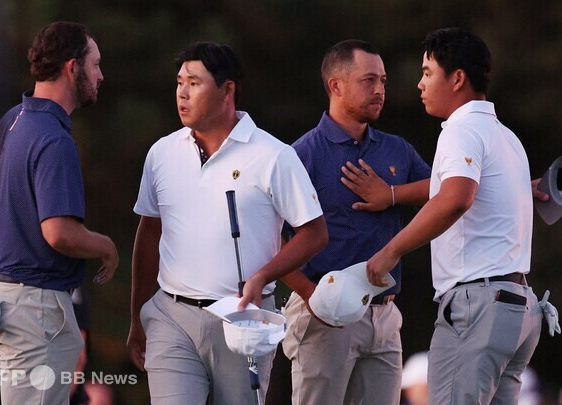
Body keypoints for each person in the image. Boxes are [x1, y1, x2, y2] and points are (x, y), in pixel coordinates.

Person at [126, 41, 328, 405]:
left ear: (227, 90)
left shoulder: (273, 155)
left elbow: (314, 233)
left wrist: (262, 276)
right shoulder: (162, 153)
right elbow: (149, 231)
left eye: (194, 83)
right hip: (171, 317)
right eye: (179, 82)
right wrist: (136, 317)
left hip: (243, 323)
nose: (182, 93)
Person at [366, 27, 542, 404]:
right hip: (519, 308)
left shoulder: (460, 130)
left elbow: (455, 198)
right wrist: (393, 194)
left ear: (457, 78)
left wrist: (391, 250)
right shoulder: (506, 136)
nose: (419, 83)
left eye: (428, 72)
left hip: (479, 305)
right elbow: (451, 189)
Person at [0, 21, 118, 405]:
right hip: (33, 313)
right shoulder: (54, 138)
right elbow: (58, 233)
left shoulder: (7, 124)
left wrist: (1, 287)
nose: (101, 75)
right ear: (72, 67)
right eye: (95, 64)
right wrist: (106, 247)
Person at [279, 39, 431, 405]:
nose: (379, 90)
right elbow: (271, 238)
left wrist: (392, 194)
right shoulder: (301, 155)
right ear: (335, 85)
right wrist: (310, 295)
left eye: (382, 80)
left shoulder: (396, 148)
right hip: (323, 311)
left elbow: (443, 191)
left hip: (385, 314)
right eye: (368, 80)